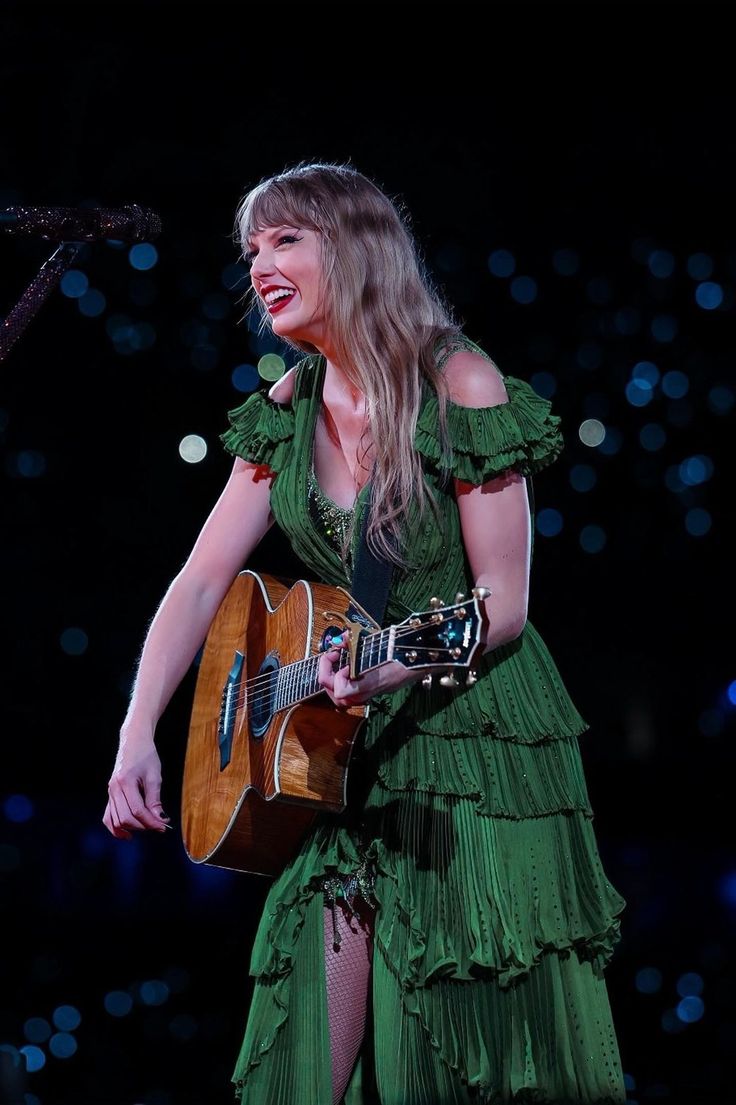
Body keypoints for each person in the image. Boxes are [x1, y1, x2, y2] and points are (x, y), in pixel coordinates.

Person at [103, 161, 627, 1105]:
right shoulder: (285, 408)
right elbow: (199, 580)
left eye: (285, 238)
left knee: (471, 1045)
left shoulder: (460, 380)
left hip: (475, 746)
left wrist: (389, 669)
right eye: (252, 247)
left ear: (353, 247)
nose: (259, 263)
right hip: (340, 754)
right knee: (304, 1062)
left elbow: (502, 605)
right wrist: (137, 732)